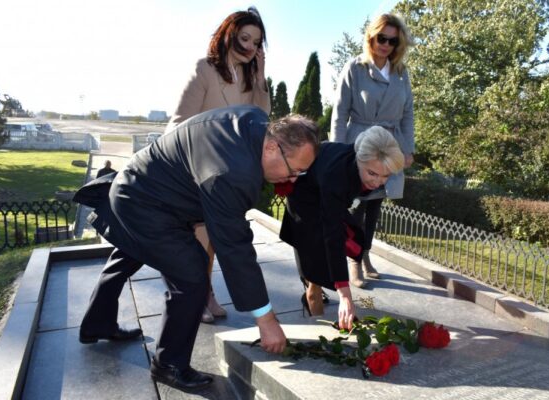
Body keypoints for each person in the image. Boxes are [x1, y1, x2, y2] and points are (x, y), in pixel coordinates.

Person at [74, 105, 319, 393]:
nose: (293, 179)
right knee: (191, 276)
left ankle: (97, 323)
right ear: (272, 147)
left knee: (131, 251)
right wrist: (266, 320)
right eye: (295, 170)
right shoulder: (233, 173)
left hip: (139, 184)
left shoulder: (254, 120)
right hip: (145, 204)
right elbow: (234, 247)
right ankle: (169, 365)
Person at [165, 7, 270, 323]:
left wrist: (261, 77)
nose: (250, 47)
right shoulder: (205, 69)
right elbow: (179, 122)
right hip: (195, 168)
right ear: (229, 35)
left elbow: (260, 119)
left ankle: (204, 291)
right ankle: (197, 294)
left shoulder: (250, 79)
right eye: (245, 38)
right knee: (199, 240)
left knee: (212, 238)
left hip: (226, 173)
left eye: (257, 43)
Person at [280, 126, 404, 329]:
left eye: (385, 176)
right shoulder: (337, 176)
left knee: (351, 240)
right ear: (359, 159)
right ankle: (314, 308)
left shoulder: (361, 163)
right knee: (316, 262)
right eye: (372, 173)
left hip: (325, 190)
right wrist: (345, 294)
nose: (377, 182)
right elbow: (333, 233)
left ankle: (316, 290)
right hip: (305, 199)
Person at [331, 13, 415, 288]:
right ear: (371, 37)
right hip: (359, 144)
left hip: (390, 145)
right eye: (382, 38)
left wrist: (408, 149)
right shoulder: (355, 68)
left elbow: (407, 114)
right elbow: (340, 113)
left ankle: (365, 254)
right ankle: (354, 261)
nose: (386, 45)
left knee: (375, 206)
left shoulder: (401, 73)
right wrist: (338, 151)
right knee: (357, 206)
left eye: (393, 41)